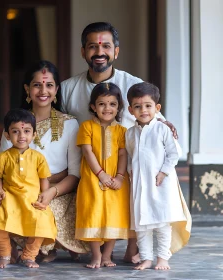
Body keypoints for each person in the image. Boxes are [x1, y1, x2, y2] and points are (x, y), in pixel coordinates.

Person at [60, 22, 178, 262]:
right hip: (87, 167)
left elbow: (155, 121)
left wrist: (165, 124)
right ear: (83, 52)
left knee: (141, 174)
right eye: (93, 46)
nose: (99, 52)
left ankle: (133, 249)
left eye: (106, 46)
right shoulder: (67, 89)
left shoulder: (132, 84)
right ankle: (77, 243)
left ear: (116, 51)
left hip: (128, 165)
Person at [0, 60, 89, 264]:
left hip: (56, 192)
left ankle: (41, 247)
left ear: (56, 90)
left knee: (43, 208)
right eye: (37, 85)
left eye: (49, 85)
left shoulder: (70, 124)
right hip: (16, 190)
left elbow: (75, 174)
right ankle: (16, 248)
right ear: (27, 88)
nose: (43, 90)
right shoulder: (14, 126)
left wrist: (50, 191)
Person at [125, 82, 191, 270]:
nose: (143, 110)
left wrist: (163, 172)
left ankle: (163, 257)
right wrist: (130, 174)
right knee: (142, 225)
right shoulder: (130, 134)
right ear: (131, 110)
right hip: (139, 184)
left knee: (162, 223)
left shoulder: (163, 129)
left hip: (160, 183)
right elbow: (131, 157)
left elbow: (174, 153)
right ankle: (146, 258)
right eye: (137, 107)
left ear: (157, 108)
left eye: (148, 106)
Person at [0, 108, 56, 268]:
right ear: (7, 135)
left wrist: (44, 197)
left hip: (32, 200)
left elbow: (44, 180)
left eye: (26, 131)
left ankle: (29, 256)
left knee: (42, 221)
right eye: (15, 131)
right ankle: (5, 254)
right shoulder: (2, 157)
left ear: (34, 135)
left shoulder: (38, 158)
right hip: (9, 199)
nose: (21, 136)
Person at [75, 82, 130, 269]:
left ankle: (107, 255)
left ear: (119, 107)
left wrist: (120, 177)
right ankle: (96, 255)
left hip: (116, 180)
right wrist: (101, 175)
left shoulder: (122, 131)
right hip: (92, 178)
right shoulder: (86, 127)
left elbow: (123, 154)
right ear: (93, 106)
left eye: (112, 104)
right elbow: (87, 152)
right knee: (93, 214)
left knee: (114, 216)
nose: (107, 108)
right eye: (102, 104)